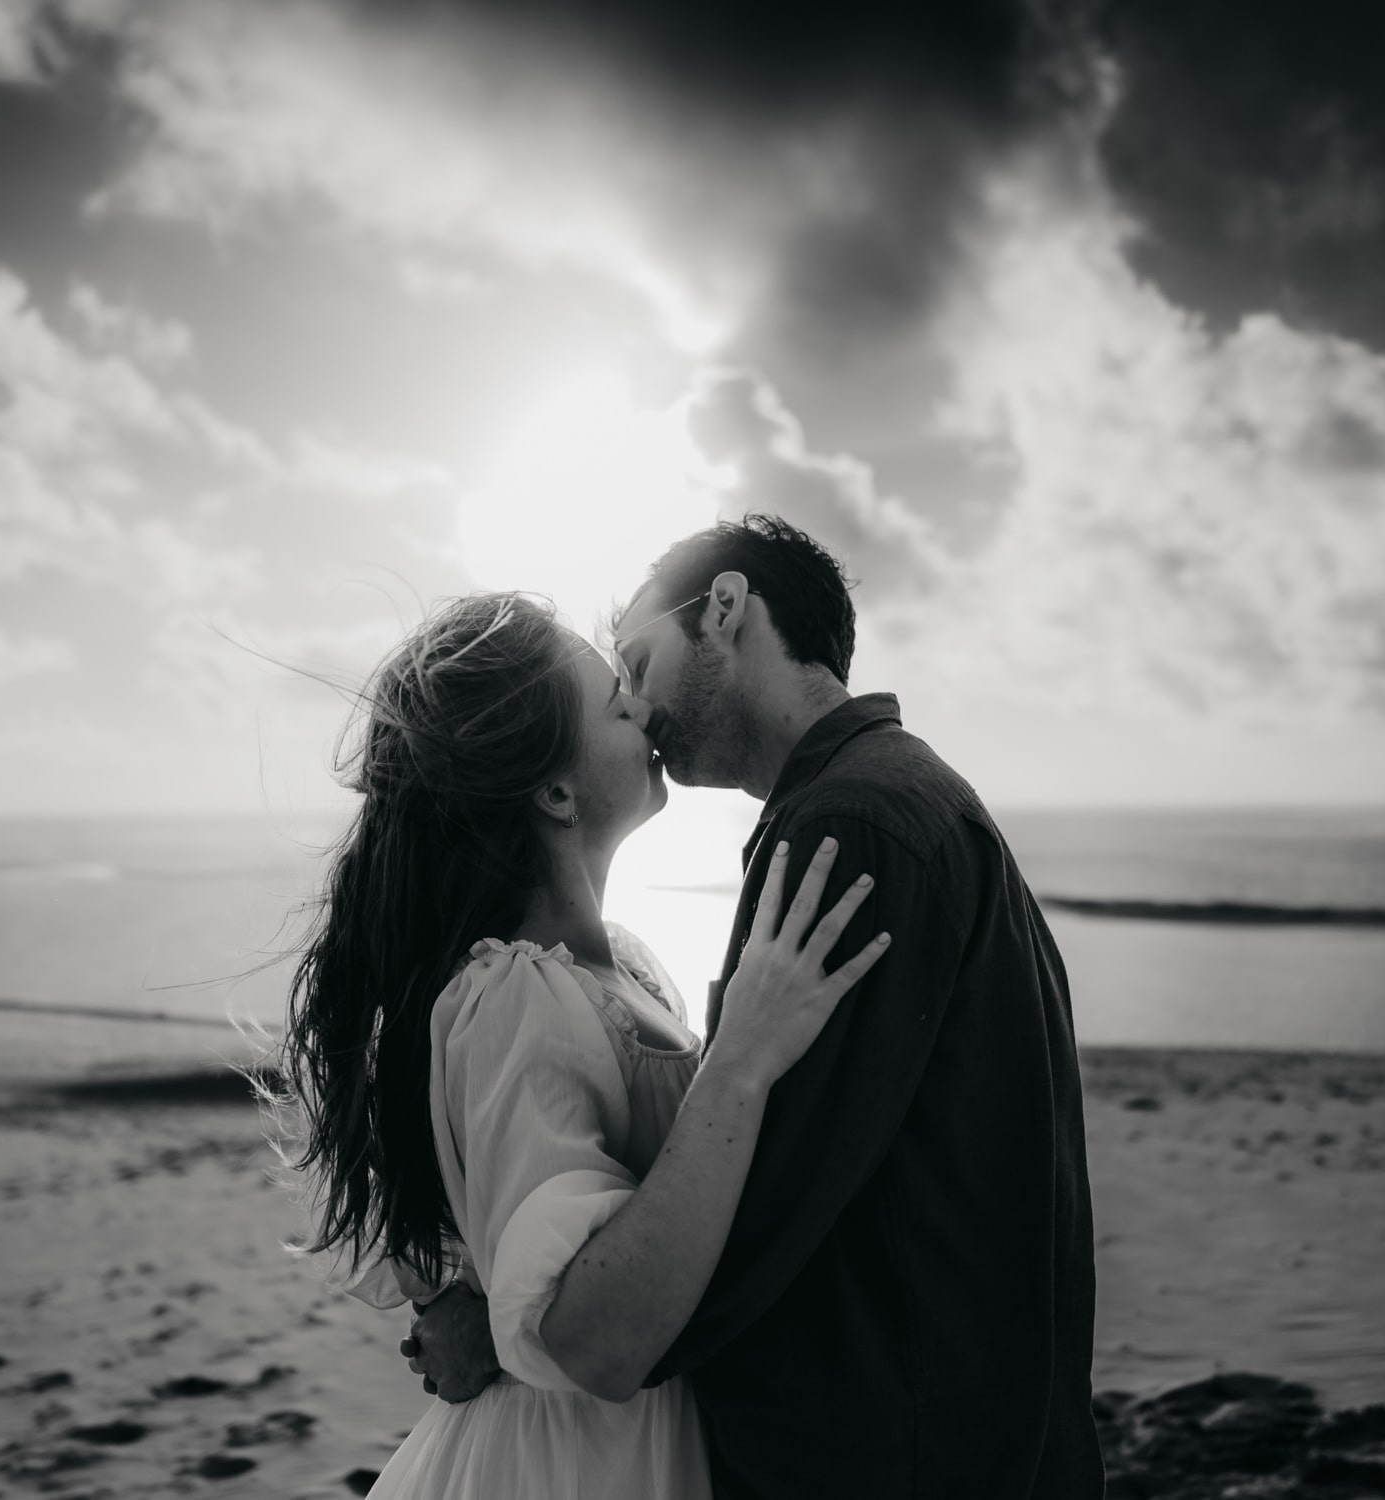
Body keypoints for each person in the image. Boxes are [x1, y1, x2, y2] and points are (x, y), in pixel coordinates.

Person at [407, 516, 1106, 1498]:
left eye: (637, 662)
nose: (640, 708)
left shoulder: (847, 828)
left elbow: (764, 1198)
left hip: (894, 1451)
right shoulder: (897, 797)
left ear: (726, 610)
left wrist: (509, 1325)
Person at [274, 591, 891, 1498]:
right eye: (615, 701)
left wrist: (468, 1306)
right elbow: (593, 1339)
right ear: (555, 792)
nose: (642, 705)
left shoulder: (624, 971)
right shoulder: (517, 999)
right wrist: (744, 1059)